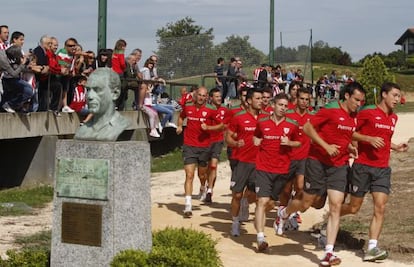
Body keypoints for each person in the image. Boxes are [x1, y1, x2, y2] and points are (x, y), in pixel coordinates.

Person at [276, 82, 366, 267]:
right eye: (356, 100)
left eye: (361, 101)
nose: (359, 103)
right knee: (307, 202)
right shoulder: (330, 110)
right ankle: (284, 213)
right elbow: (308, 128)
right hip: (317, 162)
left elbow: (344, 134)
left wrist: (348, 146)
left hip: (339, 165)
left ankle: (328, 253)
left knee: (335, 206)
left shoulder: (354, 116)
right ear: (347, 96)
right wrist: (325, 146)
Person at [341, 82, 409, 262]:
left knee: (380, 207)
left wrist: (395, 146)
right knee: (354, 208)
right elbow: (350, 131)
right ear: (384, 95)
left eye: (398, 95)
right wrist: (367, 139)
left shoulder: (393, 118)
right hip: (362, 167)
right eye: (394, 95)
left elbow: (385, 140)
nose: (397, 99)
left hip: (382, 169)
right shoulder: (367, 113)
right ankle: (332, 218)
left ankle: (372, 247)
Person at [253, 93, 301, 252]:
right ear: (273, 105)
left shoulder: (292, 124)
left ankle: (259, 217)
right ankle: (260, 238)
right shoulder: (262, 122)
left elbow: (298, 142)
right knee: (262, 201)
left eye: (286, 106)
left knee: (271, 203)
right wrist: (256, 140)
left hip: (282, 170)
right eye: (280, 105)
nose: (283, 108)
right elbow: (256, 136)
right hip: (263, 168)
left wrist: (289, 142)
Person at [176, 86, 223, 217]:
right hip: (189, 145)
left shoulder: (211, 109)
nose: (201, 98)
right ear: (195, 95)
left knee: (202, 174)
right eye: (199, 95)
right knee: (189, 175)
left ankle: (203, 187)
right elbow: (181, 117)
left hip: (204, 147)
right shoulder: (188, 106)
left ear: (207, 97)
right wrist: (180, 126)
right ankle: (188, 205)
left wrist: (208, 127)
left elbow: (221, 125)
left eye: (204, 96)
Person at [225, 87, 264, 237]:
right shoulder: (238, 117)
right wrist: (235, 144)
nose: (261, 101)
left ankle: (246, 203)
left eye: (262, 99)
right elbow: (228, 137)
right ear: (249, 101)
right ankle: (235, 223)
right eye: (258, 99)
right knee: (236, 195)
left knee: (255, 195)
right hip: (241, 161)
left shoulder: (266, 118)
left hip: (259, 164)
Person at [275, 87, 313, 234]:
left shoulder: (312, 117)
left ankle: (292, 212)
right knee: (286, 189)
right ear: (297, 99)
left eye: (307, 99)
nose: (304, 102)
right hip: (288, 157)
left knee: (300, 187)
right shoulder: (288, 114)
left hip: (304, 158)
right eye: (302, 99)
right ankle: (281, 213)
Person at [74, 68, 130, 141]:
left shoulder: (121, 125)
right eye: (88, 90)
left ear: (115, 94)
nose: (90, 96)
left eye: (97, 90)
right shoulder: (82, 131)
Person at [204, 87, 229, 203]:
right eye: (217, 97)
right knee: (204, 169)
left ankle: (210, 190)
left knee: (213, 165)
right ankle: (204, 185)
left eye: (220, 96)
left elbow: (227, 124)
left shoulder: (224, 109)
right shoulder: (206, 109)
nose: (219, 98)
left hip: (218, 140)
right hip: (205, 141)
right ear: (211, 98)